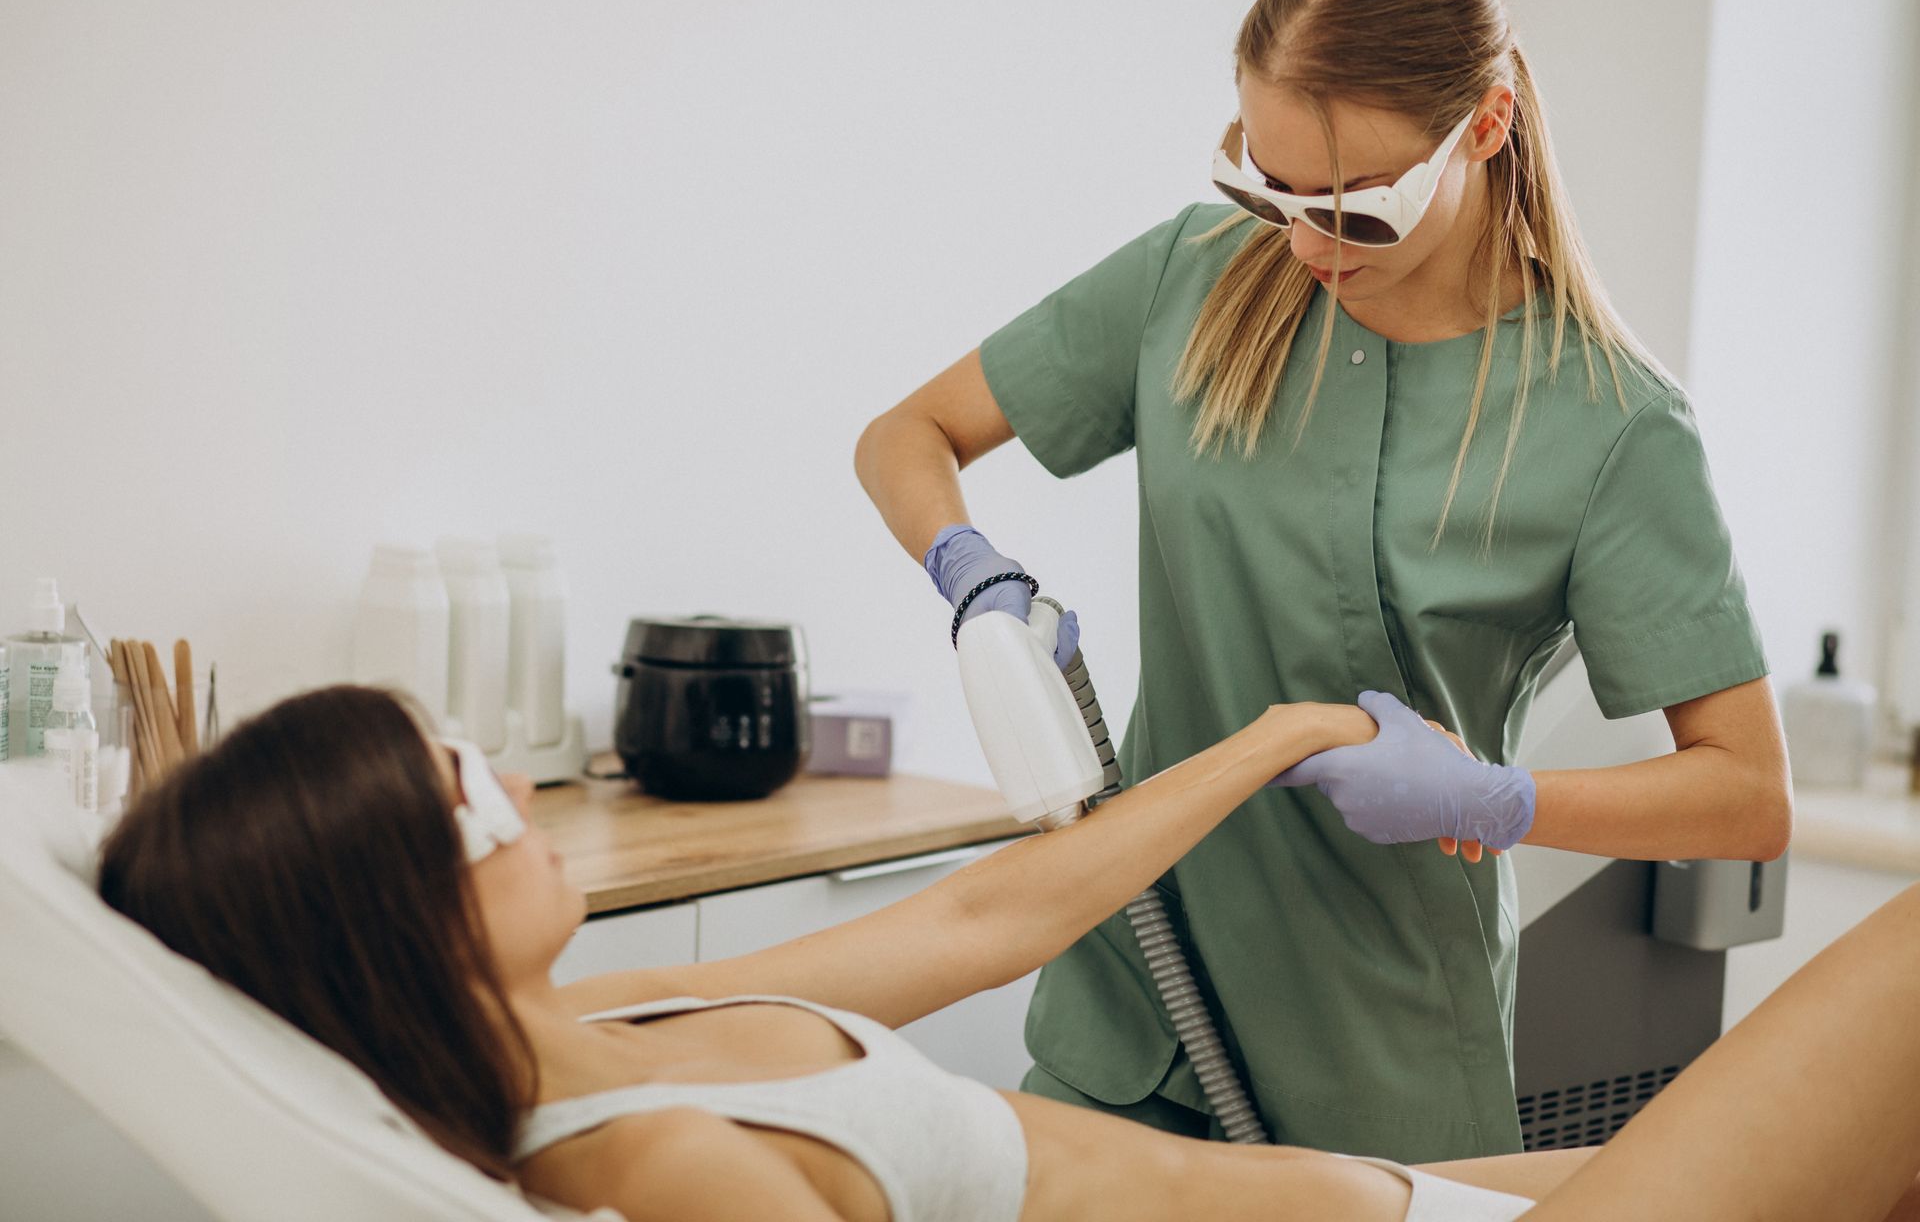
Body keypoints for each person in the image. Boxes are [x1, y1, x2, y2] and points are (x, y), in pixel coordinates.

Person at [854, 0, 1790, 1160]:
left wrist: (1503, 801)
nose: (1303, 244)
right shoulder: (1194, 279)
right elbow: (905, 436)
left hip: (1382, 1040)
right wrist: (969, 573)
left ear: (1487, 123)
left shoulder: (1610, 424)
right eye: (1269, 187)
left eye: (1353, 207)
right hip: (1136, 994)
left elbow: (1748, 794)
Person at [98, 685, 1920, 1222]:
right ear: (393, 908)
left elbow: (989, 915)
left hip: (1395, 1193)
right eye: (457, 794)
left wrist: (1283, 737)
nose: (505, 788)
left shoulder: (617, 1024)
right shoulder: (656, 1162)